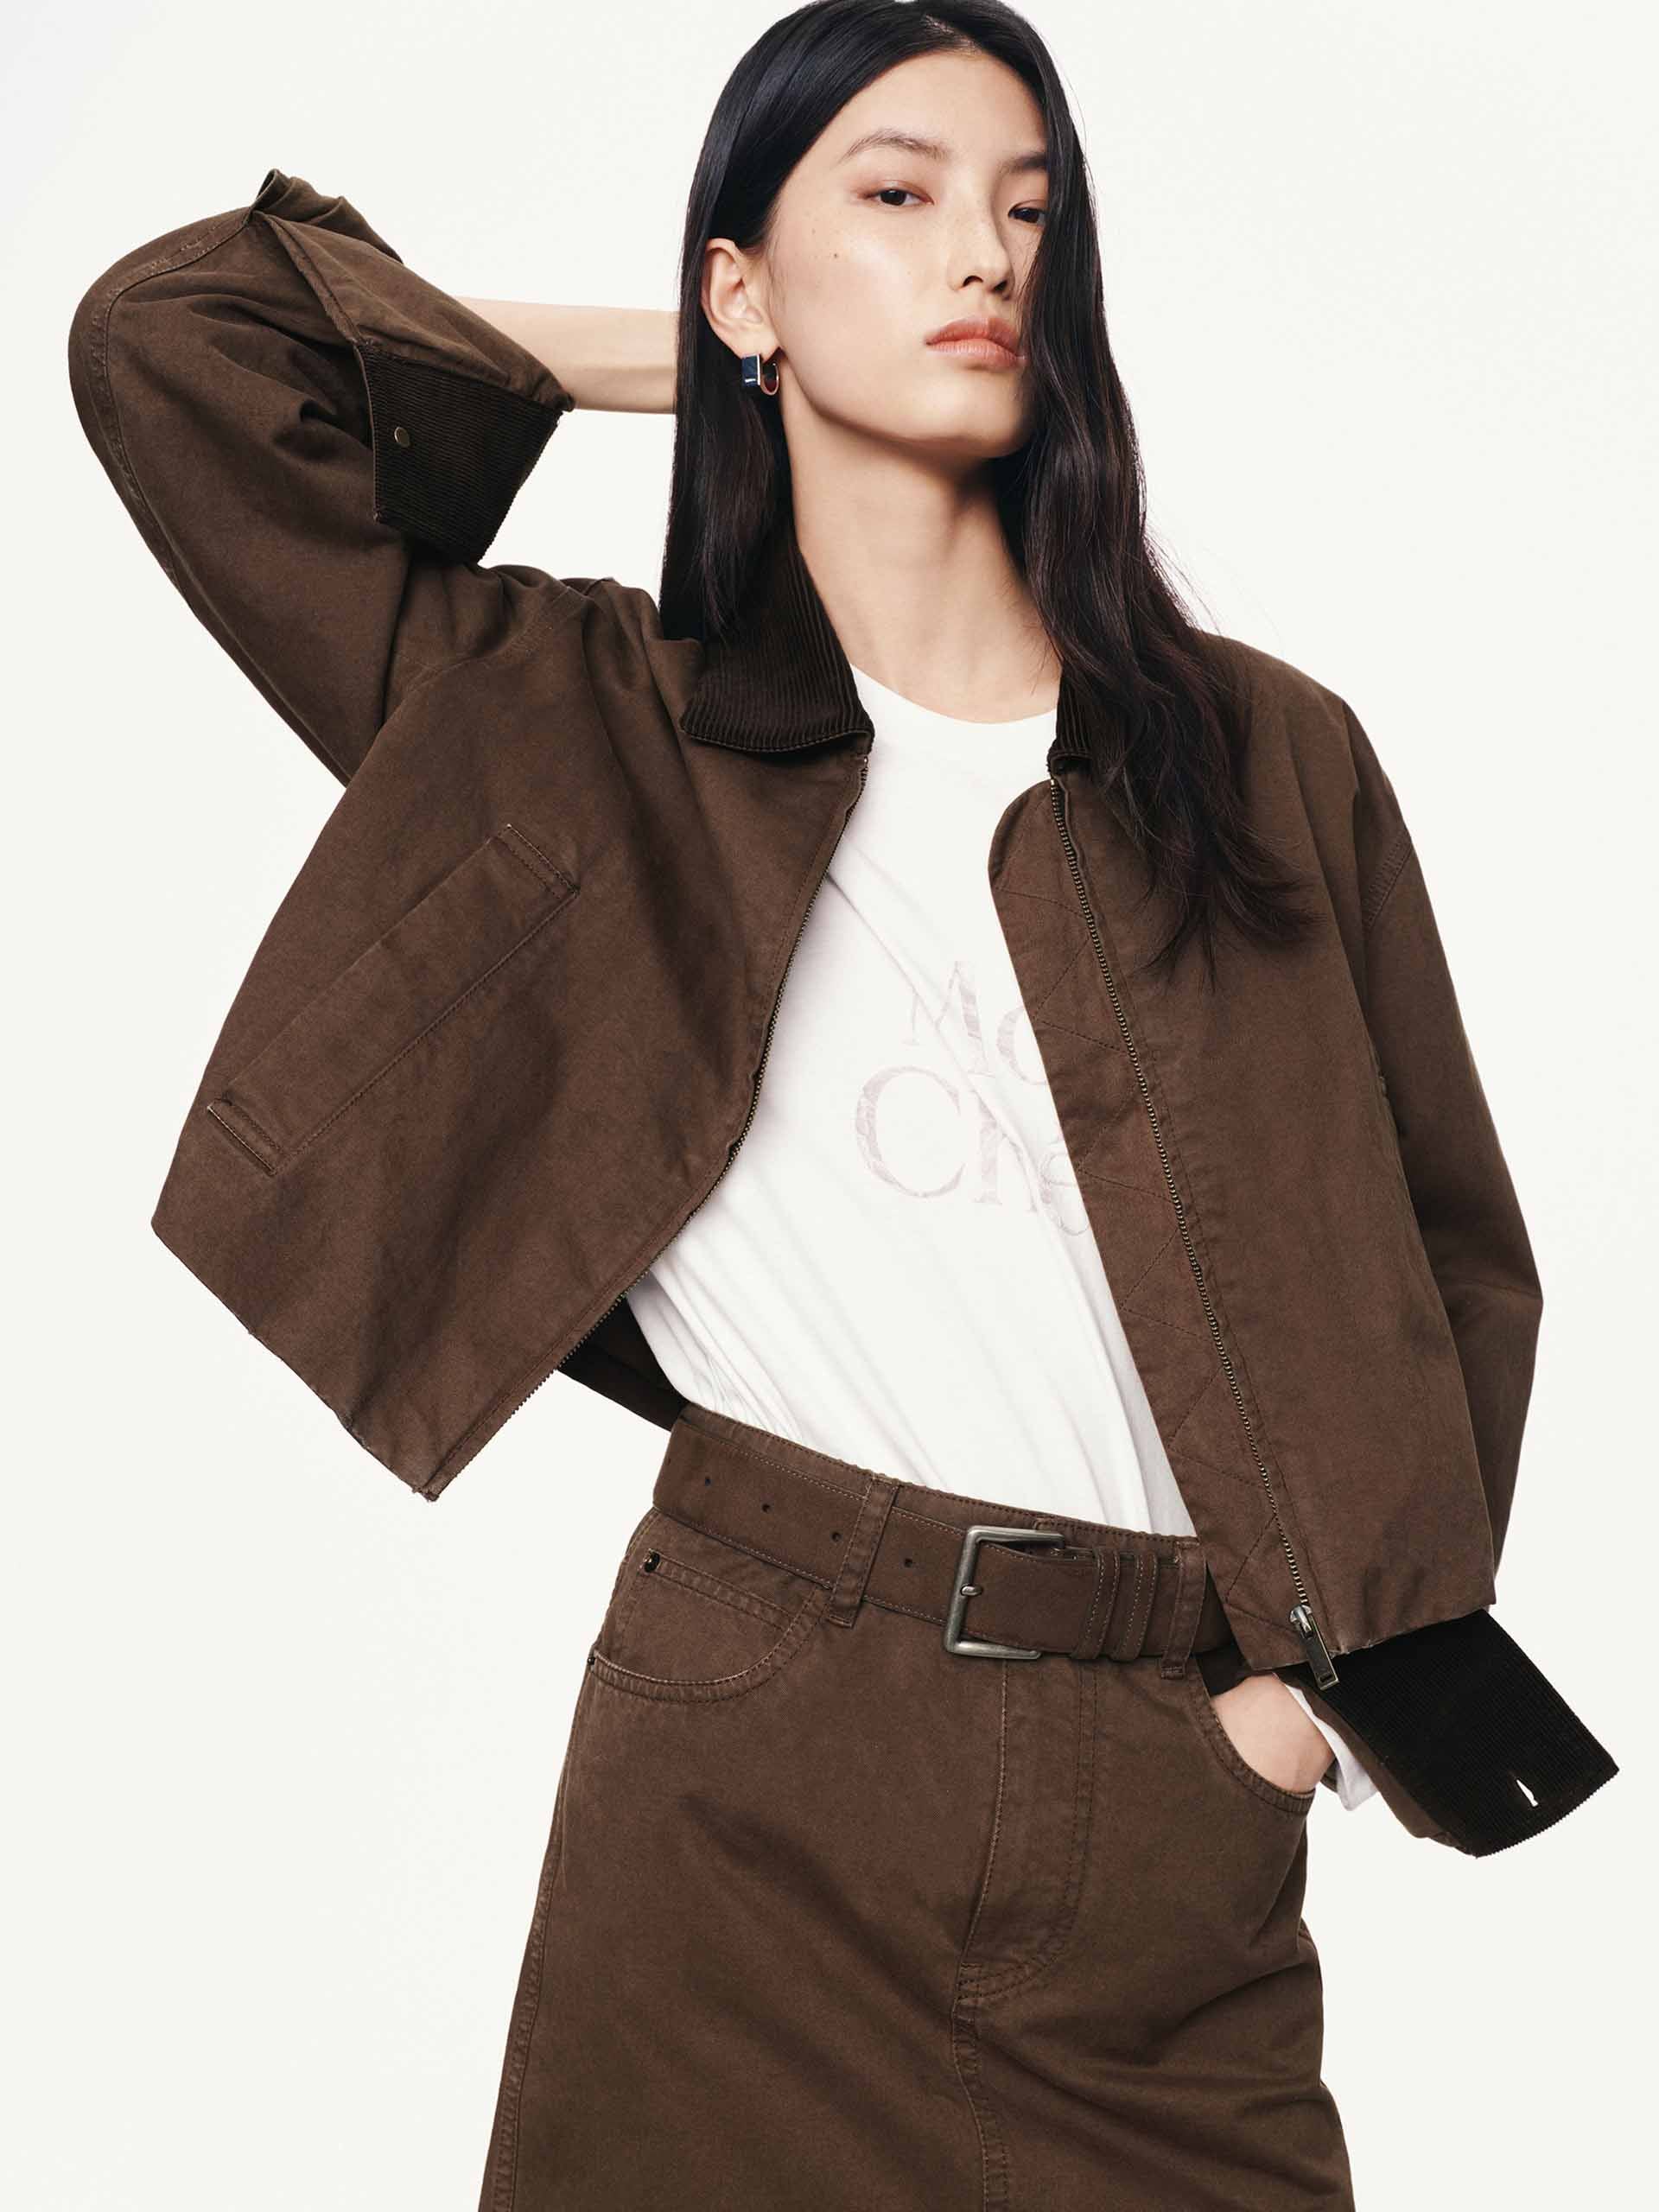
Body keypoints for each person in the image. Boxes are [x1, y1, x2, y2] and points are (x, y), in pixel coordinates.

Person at [67, 2, 1617, 2204]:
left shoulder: (1263, 757)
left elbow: (1457, 1267)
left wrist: (1303, 1717)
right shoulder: (573, 726)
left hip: (1172, 1791)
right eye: (896, 195)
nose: (983, 252)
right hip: (757, 1749)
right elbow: (172, 345)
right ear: (744, 282)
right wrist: (682, 361)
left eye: (1028, 211)